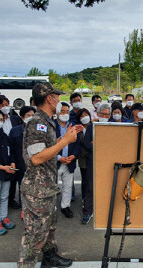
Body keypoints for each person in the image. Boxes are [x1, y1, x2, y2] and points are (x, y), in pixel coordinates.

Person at [19, 82, 81, 268]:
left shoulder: (46, 121)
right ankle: (26, 265)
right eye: (57, 97)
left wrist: (63, 138)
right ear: (49, 99)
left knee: (48, 227)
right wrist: (65, 143)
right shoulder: (37, 122)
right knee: (35, 233)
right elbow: (37, 158)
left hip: (46, 187)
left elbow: (45, 146)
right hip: (37, 190)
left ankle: (49, 258)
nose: (59, 101)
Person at [81, 103, 110, 224]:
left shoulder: (113, 126)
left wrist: (96, 143)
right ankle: (88, 211)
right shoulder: (91, 126)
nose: (104, 116)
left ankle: (105, 211)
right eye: (102, 114)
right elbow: (87, 143)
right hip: (92, 161)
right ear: (97, 114)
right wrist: (100, 146)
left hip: (108, 161)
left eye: (107, 114)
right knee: (90, 186)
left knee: (107, 186)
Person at [8, 106, 36, 209]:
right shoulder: (15, 131)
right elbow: (11, 149)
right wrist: (12, 162)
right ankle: (24, 208)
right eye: (28, 115)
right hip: (21, 164)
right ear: (22, 117)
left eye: (33, 115)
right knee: (23, 187)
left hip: (36, 164)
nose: (31, 117)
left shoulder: (39, 130)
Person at [55, 102, 80, 218]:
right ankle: (51, 208)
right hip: (55, 162)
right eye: (62, 111)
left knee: (68, 186)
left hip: (69, 162)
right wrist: (59, 158)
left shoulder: (72, 126)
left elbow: (78, 144)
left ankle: (65, 206)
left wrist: (74, 156)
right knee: (52, 187)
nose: (65, 114)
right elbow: (48, 145)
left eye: (67, 111)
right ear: (57, 113)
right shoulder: (52, 126)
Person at [76, 109, 92, 205]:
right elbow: (78, 143)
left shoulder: (94, 126)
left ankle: (91, 197)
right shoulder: (78, 129)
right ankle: (84, 197)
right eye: (82, 116)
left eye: (86, 114)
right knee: (85, 179)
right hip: (83, 158)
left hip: (93, 157)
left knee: (92, 179)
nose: (85, 117)